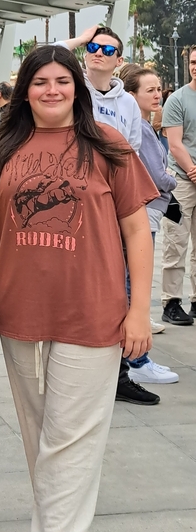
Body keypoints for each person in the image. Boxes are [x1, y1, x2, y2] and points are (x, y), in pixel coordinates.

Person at [0, 44, 156, 532]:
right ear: (24, 89)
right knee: (39, 432)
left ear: (77, 87)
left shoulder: (108, 144)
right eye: (40, 82)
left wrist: (138, 310)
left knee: (72, 437)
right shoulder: (3, 148)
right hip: (19, 311)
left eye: (62, 81)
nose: (51, 90)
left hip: (93, 313)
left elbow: (137, 231)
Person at [60, 25, 160, 405]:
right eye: (93, 47)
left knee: (119, 285)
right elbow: (45, 59)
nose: (98, 52)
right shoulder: (74, 89)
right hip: (73, 203)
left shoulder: (128, 104)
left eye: (107, 49)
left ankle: (119, 374)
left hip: (112, 205)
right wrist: (76, 40)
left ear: (119, 61)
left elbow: (130, 152)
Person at [120, 67, 178, 383]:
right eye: (150, 90)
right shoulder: (139, 129)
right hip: (146, 211)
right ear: (132, 95)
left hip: (149, 209)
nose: (157, 95)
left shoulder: (144, 126)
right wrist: (176, 181)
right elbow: (155, 175)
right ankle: (137, 359)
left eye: (158, 89)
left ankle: (135, 359)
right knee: (134, 280)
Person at [160, 45, 196, 325]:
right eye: (193, 62)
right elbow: (175, 143)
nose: (195, 67)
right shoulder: (178, 100)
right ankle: (171, 302)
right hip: (183, 181)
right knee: (176, 242)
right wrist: (194, 171)